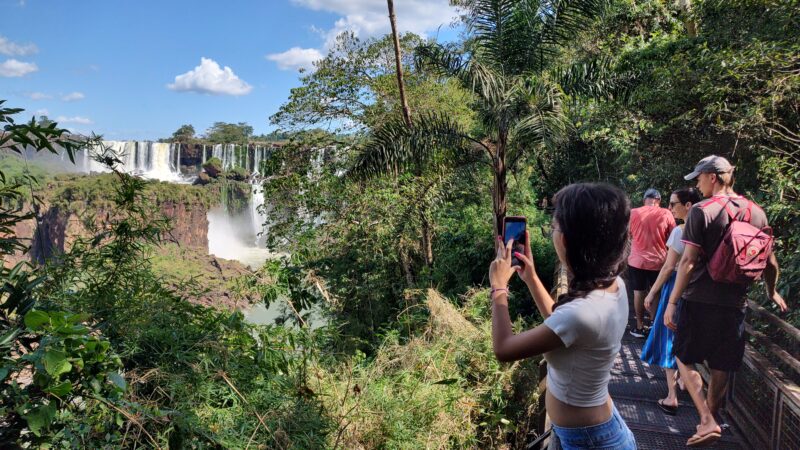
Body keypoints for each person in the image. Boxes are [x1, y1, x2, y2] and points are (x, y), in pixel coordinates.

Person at [489, 183, 636, 450]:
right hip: (594, 433)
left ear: (566, 239)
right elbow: (562, 325)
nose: (553, 233)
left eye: (554, 227)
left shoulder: (581, 313)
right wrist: (531, 278)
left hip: (590, 442)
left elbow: (503, 349)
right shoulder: (613, 286)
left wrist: (498, 287)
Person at [664, 155, 788, 447]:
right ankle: (710, 421)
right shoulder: (757, 213)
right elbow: (770, 261)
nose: (697, 184)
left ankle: (706, 419)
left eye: (698, 178)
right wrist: (771, 291)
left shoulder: (701, 211)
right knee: (721, 365)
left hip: (698, 300)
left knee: (684, 357)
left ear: (712, 177)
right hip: (735, 304)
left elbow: (688, 263)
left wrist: (672, 301)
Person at [640, 187, 703, 415]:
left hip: (676, 289)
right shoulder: (709, 229)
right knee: (688, 342)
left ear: (688, 205)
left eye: (674, 203)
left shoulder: (680, 231)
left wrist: (651, 293)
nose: (670, 207)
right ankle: (702, 405)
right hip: (700, 291)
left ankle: (671, 396)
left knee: (669, 340)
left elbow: (668, 267)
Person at [628, 188, 676, 338]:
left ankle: (639, 326)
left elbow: (629, 235)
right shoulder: (666, 214)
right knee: (655, 293)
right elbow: (673, 236)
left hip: (637, 261)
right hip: (659, 262)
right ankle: (655, 326)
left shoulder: (633, 213)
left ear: (644, 200)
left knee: (638, 292)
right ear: (659, 201)